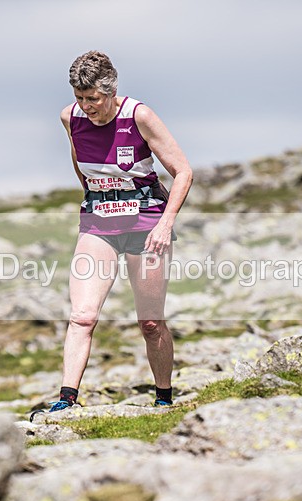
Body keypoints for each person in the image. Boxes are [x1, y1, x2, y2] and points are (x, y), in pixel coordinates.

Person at [47, 50, 193, 413]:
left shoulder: (138, 116)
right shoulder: (70, 117)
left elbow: (183, 172)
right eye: (80, 98)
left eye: (94, 99)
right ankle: (67, 399)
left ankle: (163, 397)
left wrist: (165, 223)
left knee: (150, 322)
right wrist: (98, 196)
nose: (87, 106)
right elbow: (80, 163)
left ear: (110, 92)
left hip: (146, 226)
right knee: (82, 316)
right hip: (99, 224)